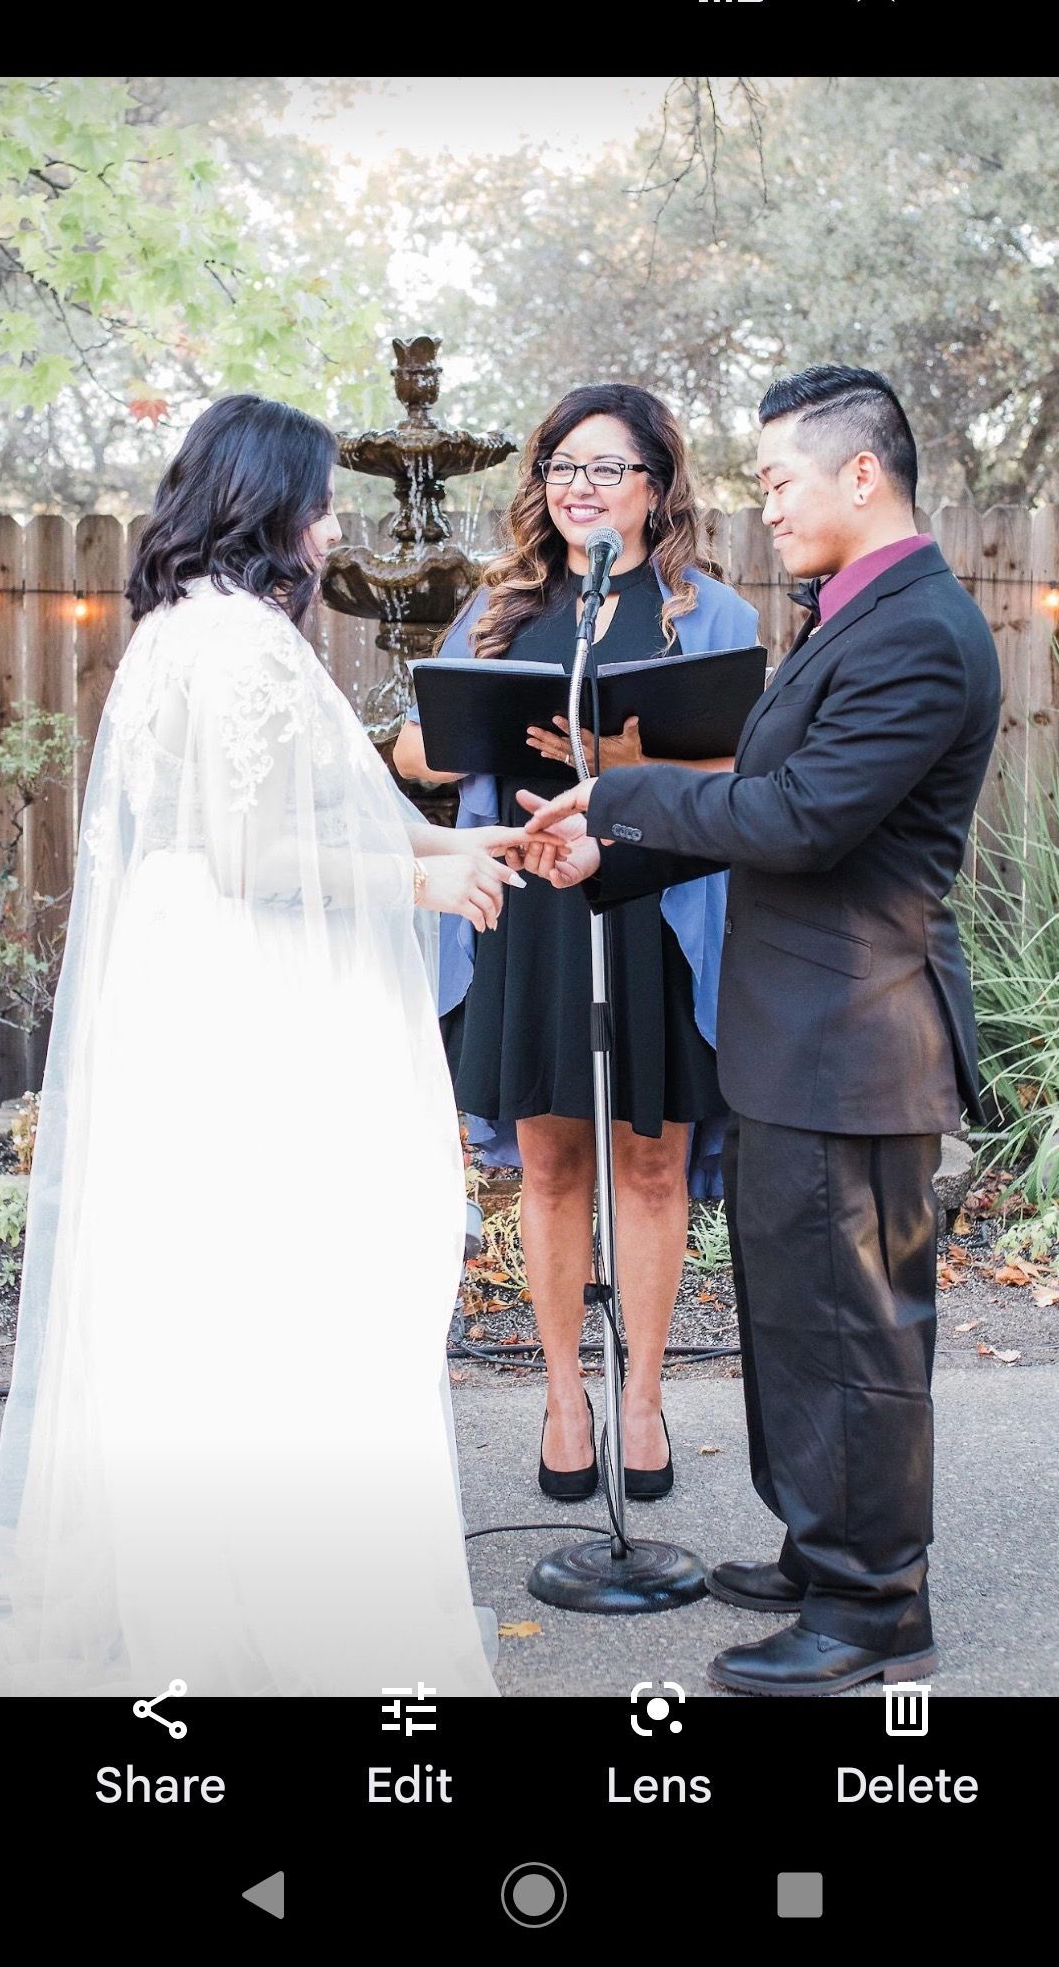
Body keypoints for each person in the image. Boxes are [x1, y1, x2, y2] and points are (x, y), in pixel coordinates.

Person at [0, 392, 537, 1697]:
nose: (334, 526)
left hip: (191, 979)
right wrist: (420, 883)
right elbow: (248, 855)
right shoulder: (240, 645)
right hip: (247, 993)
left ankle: (216, 1569)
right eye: (321, 502)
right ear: (272, 505)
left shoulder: (181, 631)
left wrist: (469, 840)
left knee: (217, 1272)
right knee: (293, 1267)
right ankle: (285, 1593)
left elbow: (332, 802)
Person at [521, 365, 1002, 1695]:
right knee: (796, 1321)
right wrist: (609, 859)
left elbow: (800, 820)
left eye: (783, 481)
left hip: (860, 1038)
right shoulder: (857, 616)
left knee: (856, 1336)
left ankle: (872, 1607)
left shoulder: (917, 631)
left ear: (865, 474)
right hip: (800, 1035)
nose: (769, 506)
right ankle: (818, 1550)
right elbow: (766, 806)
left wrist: (618, 800)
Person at [394, 383, 758, 1500]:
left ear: (656, 486)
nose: (579, 488)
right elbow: (412, 750)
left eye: (606, 468)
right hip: (532, 906)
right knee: (549, 1164)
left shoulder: (710, 613)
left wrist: (628, 759)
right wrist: (475, 738)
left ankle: (641, 1397)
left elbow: (755, 770)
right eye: (562, 467)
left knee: (650, 1163)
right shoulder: (499, 607)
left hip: (658, 906)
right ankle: (563, 1396)